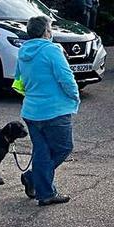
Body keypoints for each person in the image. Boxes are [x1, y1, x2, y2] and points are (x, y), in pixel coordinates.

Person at [14, 15, 79, 206]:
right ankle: (42, 188)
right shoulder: (52, 50)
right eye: (50, 28)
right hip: (55, 110)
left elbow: (19, 79)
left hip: (31, 111)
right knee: (63, 148)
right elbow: (66, 77)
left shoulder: (23, 51)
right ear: (46, 32)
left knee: (42, 151)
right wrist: (74, 95)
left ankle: (37, 183)